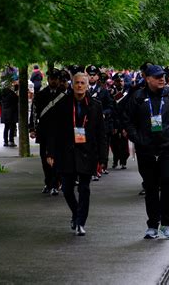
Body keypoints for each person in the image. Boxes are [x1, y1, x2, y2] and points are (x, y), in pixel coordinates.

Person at [123, 64, 169, 239]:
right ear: (147, 78)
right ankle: (152, 224)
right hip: (146, 149)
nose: (162, 79)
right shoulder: (137, 97)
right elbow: (127, 120)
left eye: (163, 76)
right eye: (157, 76)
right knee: (150, 185)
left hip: (168, 148)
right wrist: (138, 139)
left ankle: (166, 224)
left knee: (167, 183)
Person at [46, 73, 107, 236]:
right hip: (67, 152)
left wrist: (103, 157)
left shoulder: (95, 105)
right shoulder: (62, 105)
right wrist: (50, 152)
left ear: (87, 85)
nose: (79, 85)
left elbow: (101, 133)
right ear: (72, 85)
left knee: (84, 188)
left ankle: (81, 221)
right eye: (77, 83)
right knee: (66, 188)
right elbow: (53, 130)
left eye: (82, 83)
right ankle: (75, 212)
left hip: (87, 152)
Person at [30, 69, 64, 195]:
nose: (53, 81)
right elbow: (34, 113)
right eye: (51, 78)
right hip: (44, 130)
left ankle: (55, 183)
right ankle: (48, 182)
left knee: (57, 158)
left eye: (56, 78)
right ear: (48, 79)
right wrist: (32, 128)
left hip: (59, 132)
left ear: (59, 80)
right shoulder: (40, 95)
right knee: (44, 159)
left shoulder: (64, 95)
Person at [86, 65, 113, 179]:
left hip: (98, 124)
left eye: (94, 75)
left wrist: (104, 113)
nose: (92, 77)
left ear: (97, 76)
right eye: (90, 75)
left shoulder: (103, 91)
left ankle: (96, 169)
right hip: (85, 124)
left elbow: (110, 106)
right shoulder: (83, 89)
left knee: (97, 146)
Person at [0, 79, 19, 147]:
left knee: (6, 127)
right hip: (12, 112)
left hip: (5, 113)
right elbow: (17, 100)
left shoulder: (2, 94)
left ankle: (5, 141)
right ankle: (11, 141)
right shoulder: (11, 93)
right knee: (12, 127)